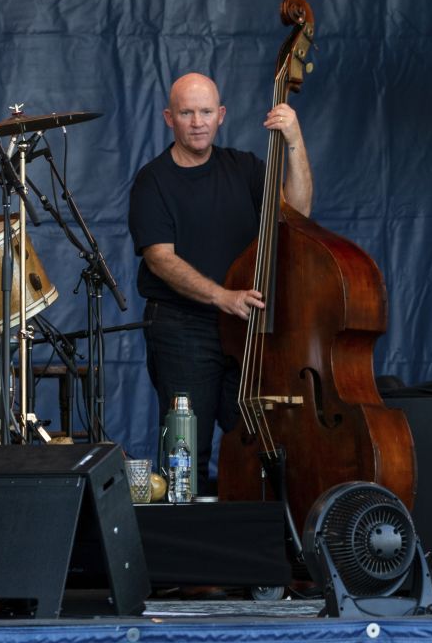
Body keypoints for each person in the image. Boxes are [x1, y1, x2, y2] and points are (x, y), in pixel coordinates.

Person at [127, 73, 313, 493]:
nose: (197, 122)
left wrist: (295, 141)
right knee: (186, 453)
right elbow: (160, 258)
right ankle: (184, 531)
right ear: (168, 118)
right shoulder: (153, 181)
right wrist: (221, 296)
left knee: (257, 445)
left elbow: (298, 215)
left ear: (221, 115)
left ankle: (250, 529)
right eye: (187, 113)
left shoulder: (244, 168)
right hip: (182, 329)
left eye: (206, 112)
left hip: (246, 328)